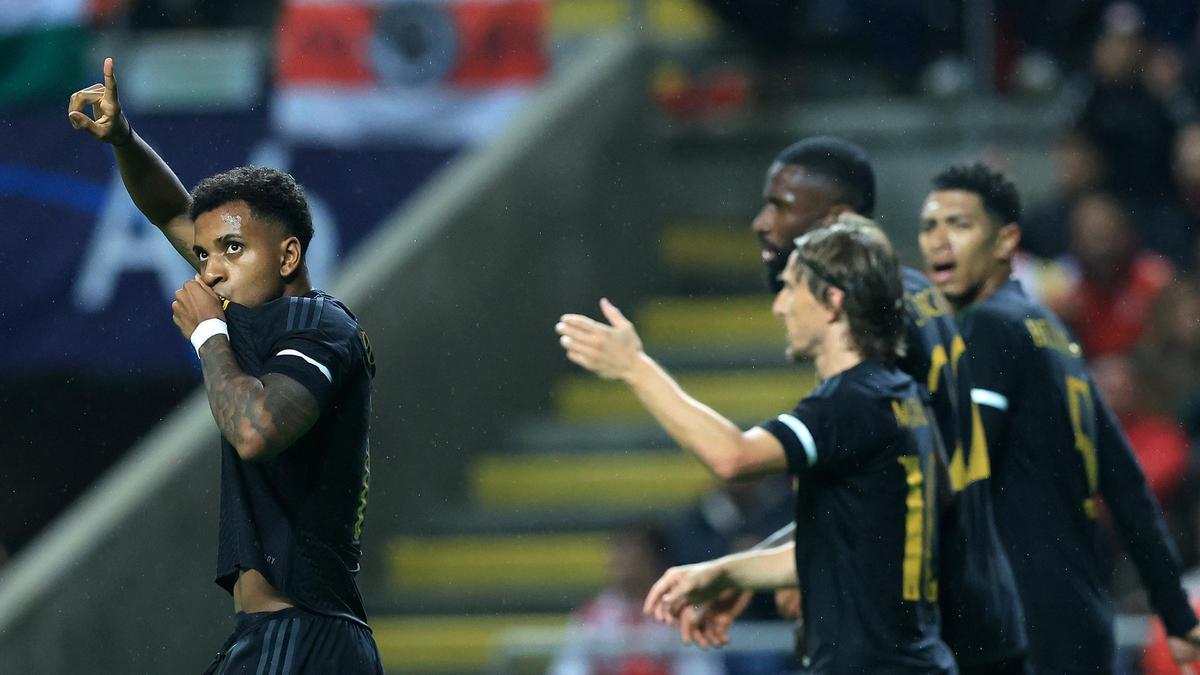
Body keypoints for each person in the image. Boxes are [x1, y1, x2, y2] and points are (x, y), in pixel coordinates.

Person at [68, 58, 383, 673]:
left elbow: (255, 430)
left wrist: (208, 331)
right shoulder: (260, 316)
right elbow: (170, 212)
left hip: (299, 634)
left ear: (289, 253)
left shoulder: (321, 326)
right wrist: (125, 140)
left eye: (231, 249)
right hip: (290, 636)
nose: (210, 269)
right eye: (205, 254)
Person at [558, 221, 957, 673]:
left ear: (833, 301)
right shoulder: (903, 398)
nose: (779, 306)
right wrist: (730, 572)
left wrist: (634, 367)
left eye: (790, 289)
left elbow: (734, 456)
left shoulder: (848, 402)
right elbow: (852, 538)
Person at [701, 137, 1028, 674]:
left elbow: (909, 486)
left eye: (781, 205)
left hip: (929, 625)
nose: (762, 223)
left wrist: (797, 567)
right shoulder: (915, 297)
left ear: (838, 221)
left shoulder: (876, 331)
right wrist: (787, 561)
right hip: (971, 609)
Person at [917, 161, 1200, 673]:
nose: (938, 241)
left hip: (1021, 621)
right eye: (928, 226)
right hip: (1081, 614)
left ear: (1006, 242)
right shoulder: (1053, 336)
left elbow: (958, 471)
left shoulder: (989, 327)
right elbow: (1126, 488)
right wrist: (1177, 615)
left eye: (958, 225)